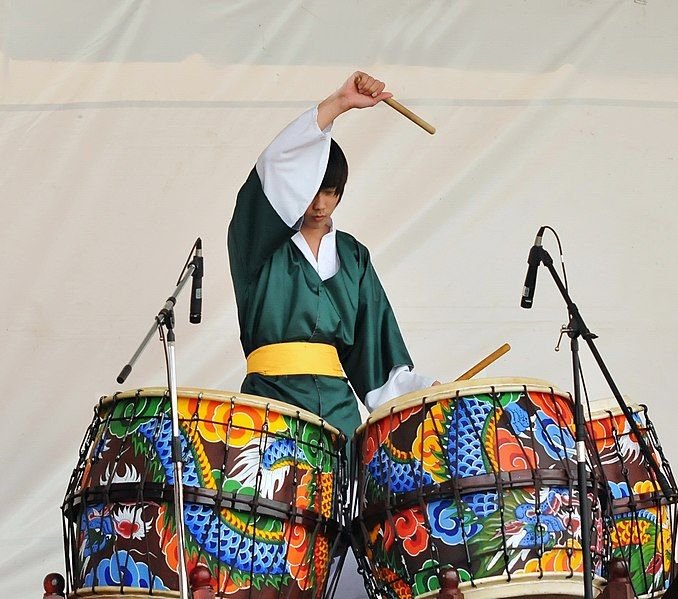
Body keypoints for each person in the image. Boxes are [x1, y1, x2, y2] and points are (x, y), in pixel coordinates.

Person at [228, 72, 436, 442]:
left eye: (331, 192)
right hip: (269, 407)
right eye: (311, 191)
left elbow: (375, 349)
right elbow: (276, 163)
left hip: (339, 414)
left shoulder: (353, 255)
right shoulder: (259, 244)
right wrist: (338, 104)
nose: (320, 203)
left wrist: (419, 394)